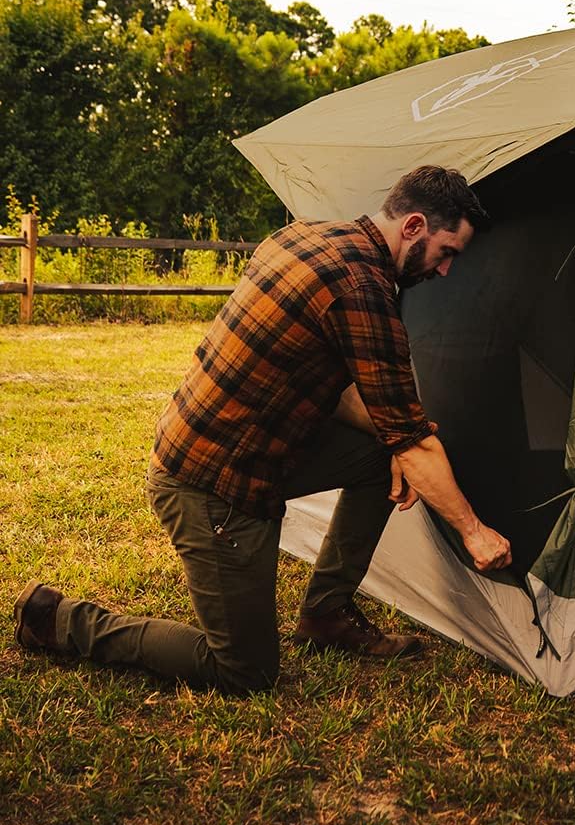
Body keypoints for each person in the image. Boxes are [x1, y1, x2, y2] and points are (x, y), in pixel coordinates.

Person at [14, 165, 511, 695]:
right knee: (244, 671)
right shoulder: (363, 290)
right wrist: (473, 532)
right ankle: (57, 619)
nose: (443, 272)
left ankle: (326, 615)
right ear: (414, 226)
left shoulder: (305, 236)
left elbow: (341, 392)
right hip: (213, 481)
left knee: (377, 457)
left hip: (234, 443)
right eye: (446, 252)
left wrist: (393, 436)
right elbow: (415, 443)